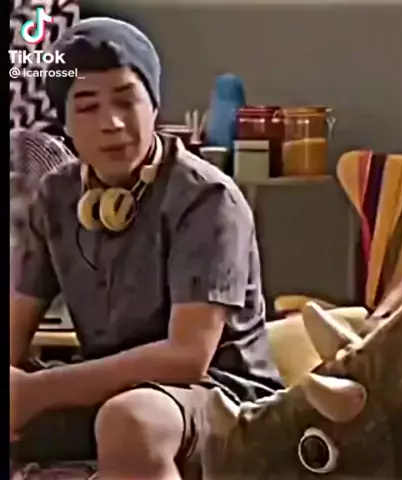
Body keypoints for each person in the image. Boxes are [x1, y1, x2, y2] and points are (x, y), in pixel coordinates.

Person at [10, 17, 283, 480]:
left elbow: (187, 356)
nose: (111, 123)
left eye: (126, 100)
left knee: (130, 421)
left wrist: (39, 391)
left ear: (153, 106)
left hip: (219, 394)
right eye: (88, 106)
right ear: (65, 123)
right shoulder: (55, 196)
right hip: (105, 389)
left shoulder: (206, 198)